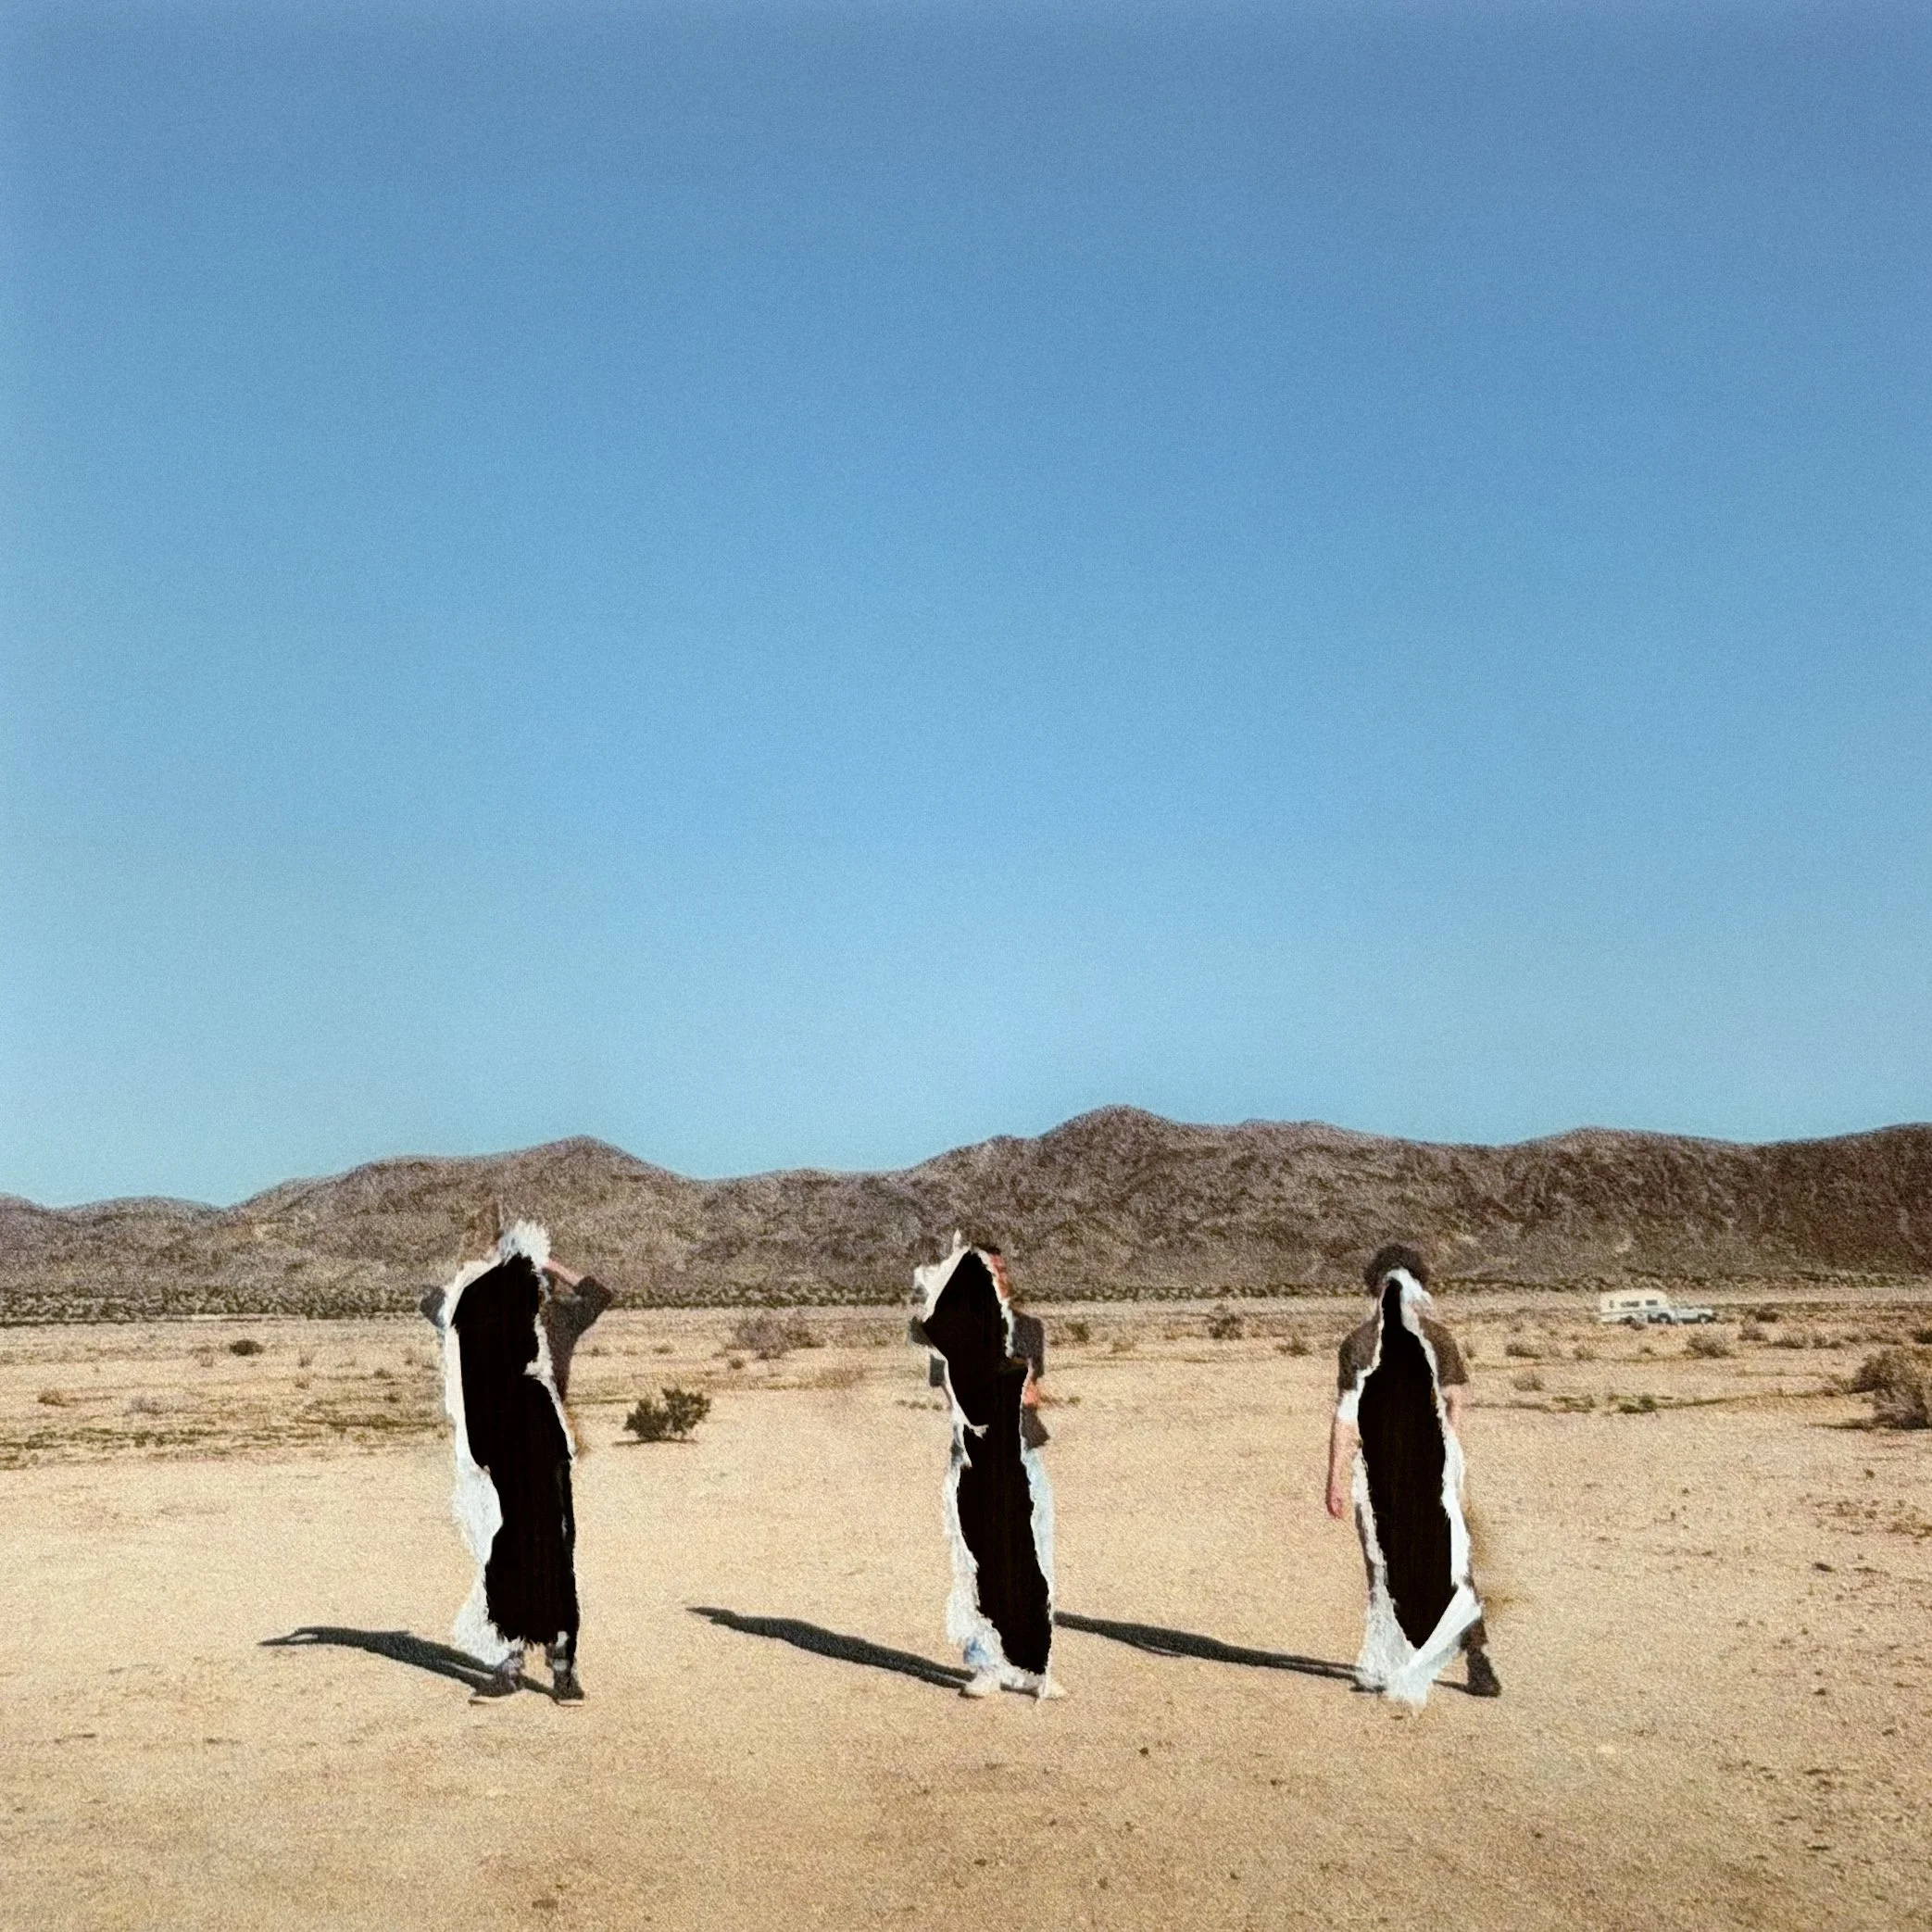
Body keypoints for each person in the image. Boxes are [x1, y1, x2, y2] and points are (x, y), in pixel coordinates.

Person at [420, 1210, 612, 1702]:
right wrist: (493, 1261)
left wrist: (547, 1261)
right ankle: (508, 1662)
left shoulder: (558, 1320)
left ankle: (562, 1667)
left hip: (547, 1451)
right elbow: (432, 1303)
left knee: (554, 1556)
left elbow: (599, 1295)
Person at [1324, 1242, 1500, 1703]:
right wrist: (1334, 1479)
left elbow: (1456, 1399)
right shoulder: (1358, 1346)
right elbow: (1346, 1416)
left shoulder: (1435, 1340)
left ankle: (1476, 1656)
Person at [910, 1237, 1062, 1700]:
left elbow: (1034, 1392)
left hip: (1023, 1451)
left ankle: (1031, 1663)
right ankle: (985, 1664)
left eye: (998, 1270)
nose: (996, 1278)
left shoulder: (1029, 1328)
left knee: (1034, 1557)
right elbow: (954, 1395)